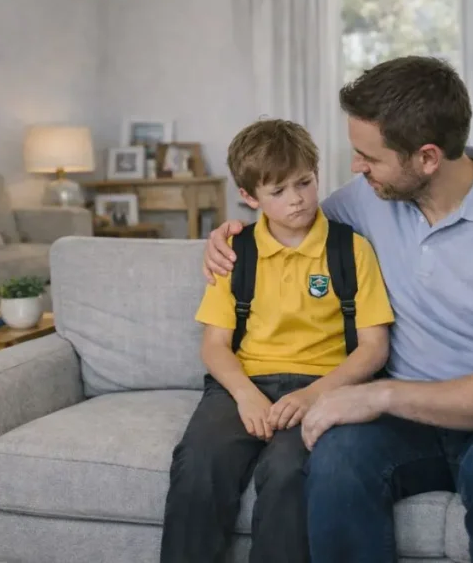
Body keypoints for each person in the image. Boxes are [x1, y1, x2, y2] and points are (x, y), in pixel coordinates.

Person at [202, 56, 473, 563]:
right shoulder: (367, 200)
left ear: (427, 158)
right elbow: (286, 225)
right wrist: (229, 240)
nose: (356, 168)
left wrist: (378, 395)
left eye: (368, 157)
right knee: (337, 455)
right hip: (414, 420)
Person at [160, 118, 395, 563]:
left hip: (323, 386)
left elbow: (374, 348)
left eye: (304, 182)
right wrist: (245, 395)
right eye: (279, 191)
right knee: (199, 463)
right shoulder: (235, 252)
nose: (297, 199)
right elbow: (214, 345)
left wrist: (313, 394)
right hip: (244, 383)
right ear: (249, 198)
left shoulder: (351, 250)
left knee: (288, 473)